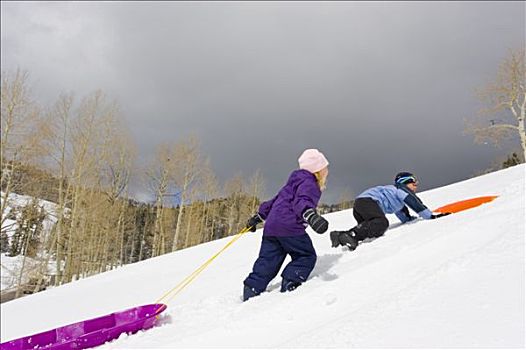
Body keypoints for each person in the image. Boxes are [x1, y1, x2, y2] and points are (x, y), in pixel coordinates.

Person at [242, 149, 330, 301]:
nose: (327, 171)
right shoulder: (310, 183)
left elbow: (275, 201)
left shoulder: (291, 183)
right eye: (325, 168)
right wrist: (311, 215)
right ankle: (291, 280)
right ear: (318, 170)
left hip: (271, 228)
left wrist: (258, 217)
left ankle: (252, 288)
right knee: (305, 255)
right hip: (290, 227)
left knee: (267, 260)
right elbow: (302, 201)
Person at [330, 172, 450, 251]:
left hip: (360, 205)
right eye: (414, 183)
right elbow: (414, 202)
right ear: (405, 183)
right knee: (381, 222)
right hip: (368, 202)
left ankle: (345, 237)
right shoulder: (400, 189)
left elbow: (403, 214)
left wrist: (409, 220)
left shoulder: (398, 200)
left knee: (372, 230)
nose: (416, 186)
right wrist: (430, 216)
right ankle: (350, 235)